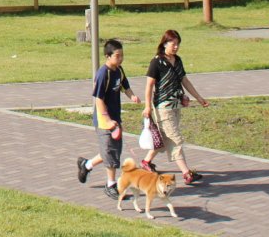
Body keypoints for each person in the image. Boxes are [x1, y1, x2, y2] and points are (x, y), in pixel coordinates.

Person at [138, 29, 209, 185]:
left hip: (176, 106)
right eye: (173, 43)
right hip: (163, 108)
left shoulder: (177, 60)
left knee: (165, 138)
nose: (176, 47)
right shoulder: (156, 62)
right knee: (175, 139)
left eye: (178, 44)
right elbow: (149, 85)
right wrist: (147, 106)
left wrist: (198, 98)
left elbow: (184, 80)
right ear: (164, 43)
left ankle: (146, 162)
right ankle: (186, 173)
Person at [77, 38, 141, 200]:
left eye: (122, 56)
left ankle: (86, 165)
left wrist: (132, 96)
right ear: (108, 56)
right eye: (117, 56)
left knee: (112, 150)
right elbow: (98, 99)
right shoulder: (102, 74)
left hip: (115, 117)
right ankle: (110, 185)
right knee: (111, 152)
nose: (120, 59)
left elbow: (125, 86)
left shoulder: (119, 70)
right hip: (104, 119)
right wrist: (106, 120)